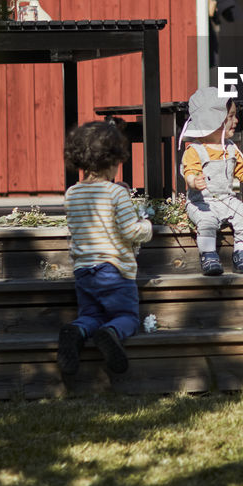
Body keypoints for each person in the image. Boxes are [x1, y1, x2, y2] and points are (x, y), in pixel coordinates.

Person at [57, 121, 153, 376]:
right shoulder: (117, 194)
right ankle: (112, 334)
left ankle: (76, 330)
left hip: (84, 272)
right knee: (126, 316)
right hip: (114, 270)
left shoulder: (72, 193)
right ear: (113, 160)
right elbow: (130, 230)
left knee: (92, 315)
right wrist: (147, 226)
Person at [180, 86, 243, 275]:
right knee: (207, 222)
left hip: (227, 199)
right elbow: (190, 172)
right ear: (212, 119)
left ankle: (242, 254)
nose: (236, 121)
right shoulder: (195, 150)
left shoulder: (230, 148)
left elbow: (242, 169)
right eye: (230, 116)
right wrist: (194, 181)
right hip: (201, 202)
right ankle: (208, 255)